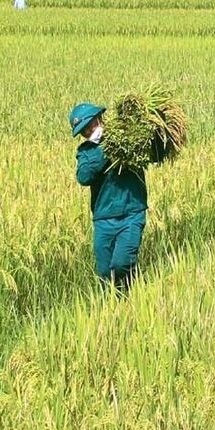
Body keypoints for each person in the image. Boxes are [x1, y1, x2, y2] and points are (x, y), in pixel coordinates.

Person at [71, 102, 149, 293]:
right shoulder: (86, 151)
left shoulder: (128, 140)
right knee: (105, 272)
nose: (90, 131)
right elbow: (84, 177)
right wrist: (104, 148)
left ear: (100, 119)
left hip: (131, 212)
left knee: (122, 263)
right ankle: (111, 307)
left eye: (91, 125)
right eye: (85, 131)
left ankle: (129, 296)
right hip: (103, 218)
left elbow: (152, 152)